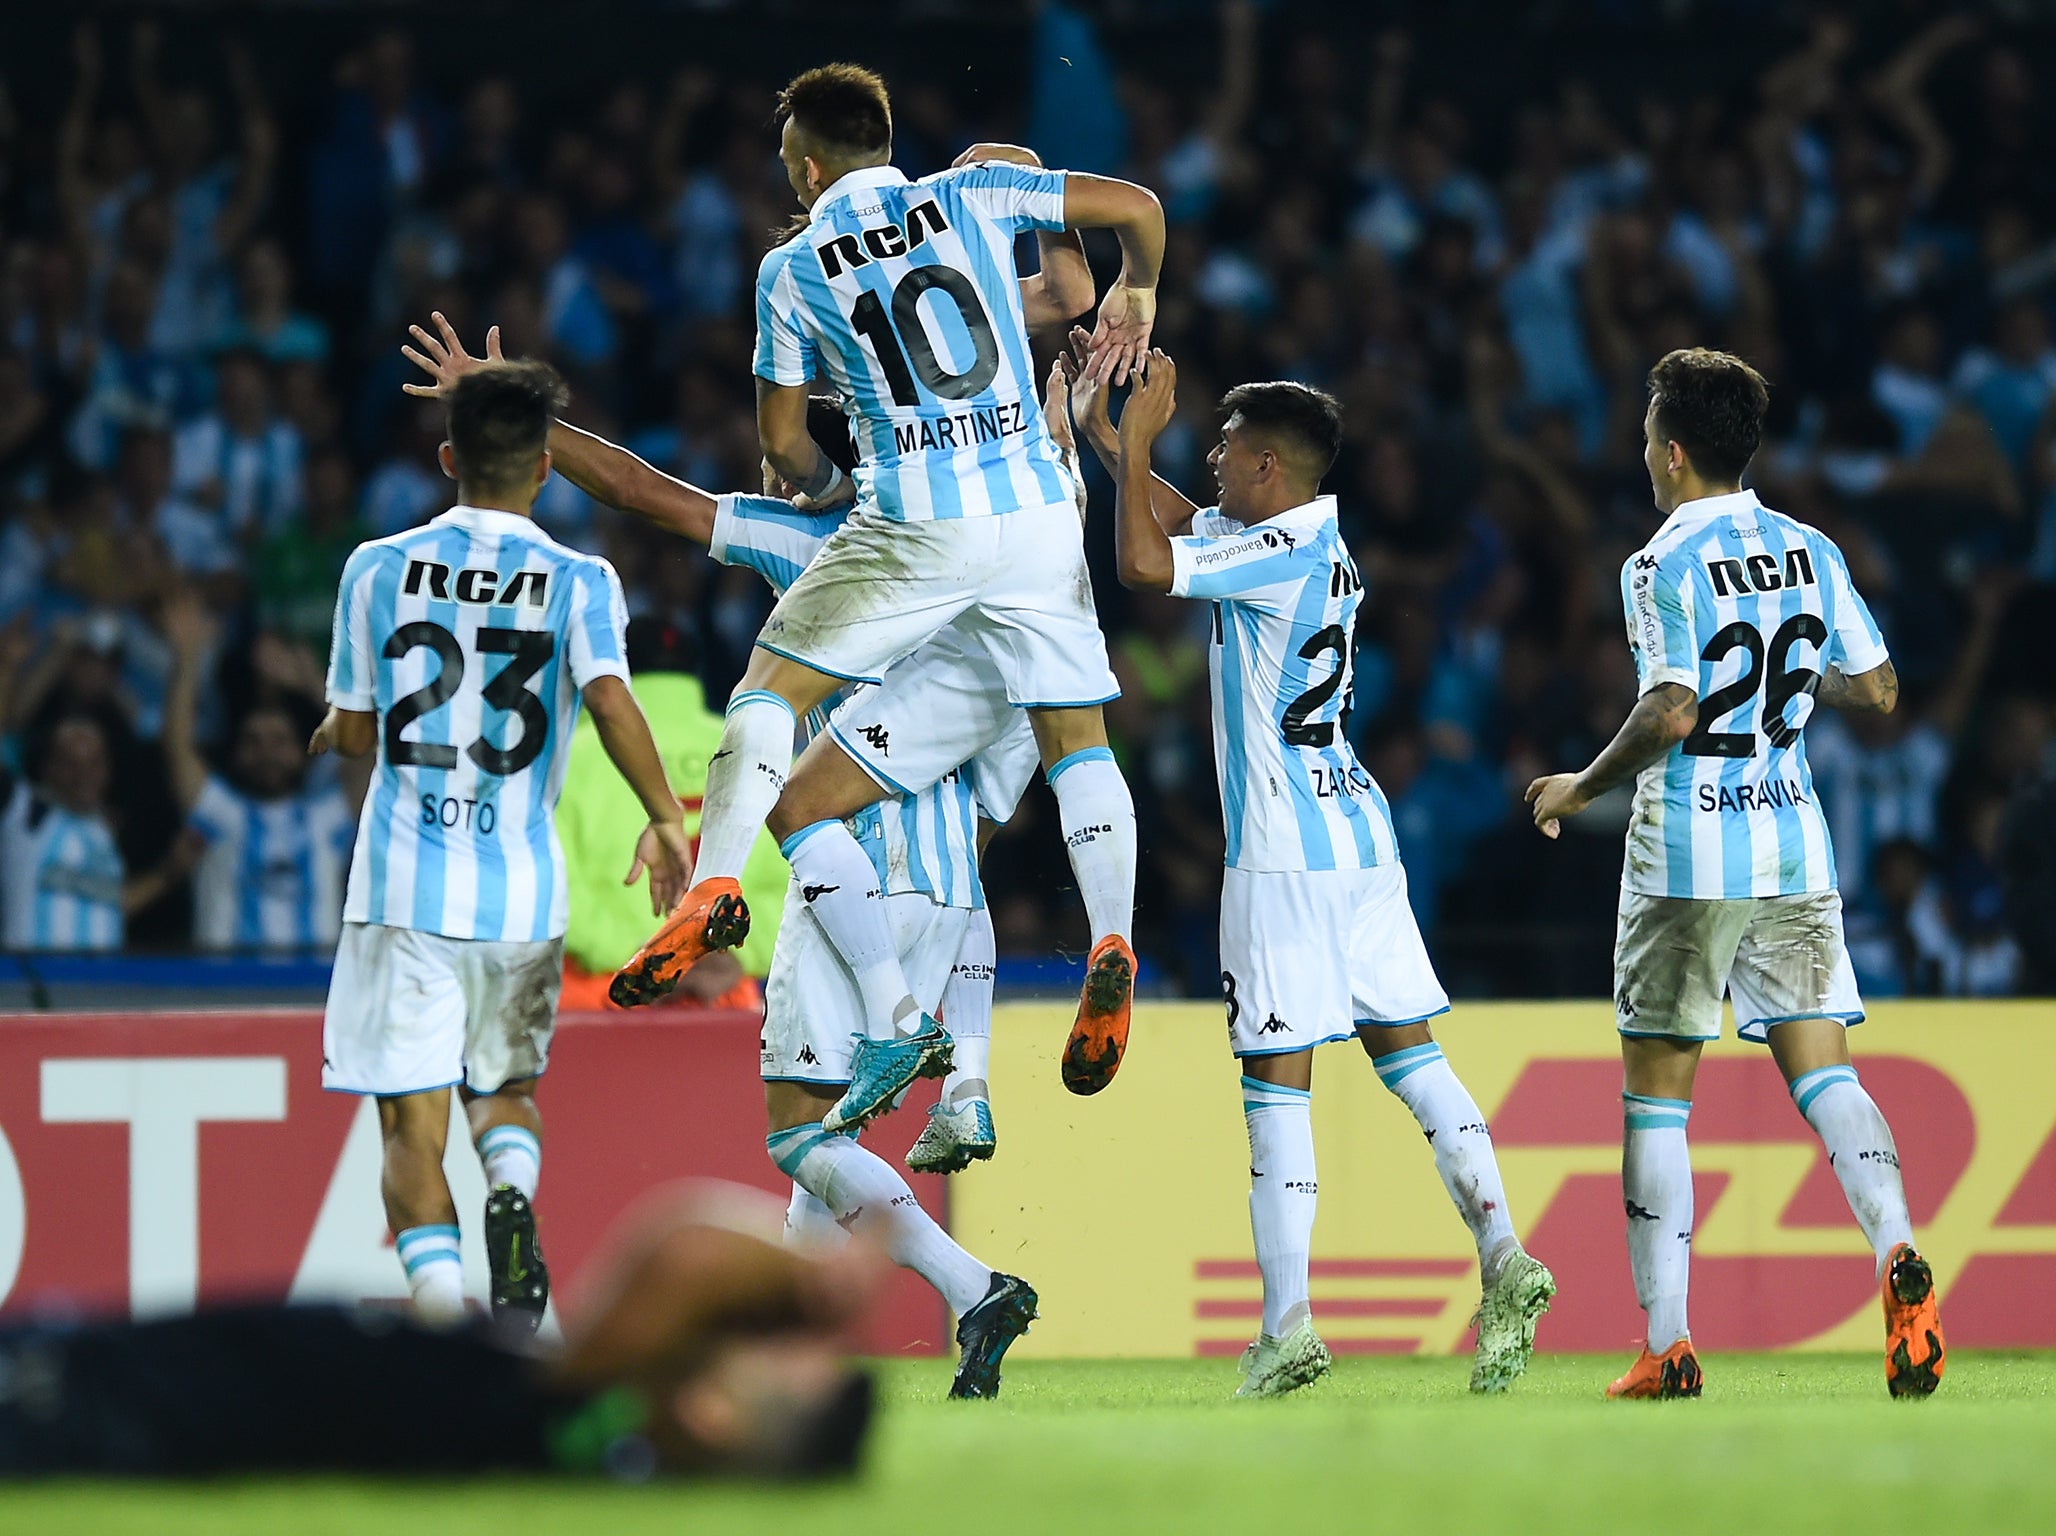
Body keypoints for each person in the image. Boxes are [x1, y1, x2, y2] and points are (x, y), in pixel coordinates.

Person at [400, 319, 1085, 1396]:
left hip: (842, 859)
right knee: (821, 1149)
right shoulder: (986, 548)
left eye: (792, 454)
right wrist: (1065, 422)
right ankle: (781, 1352)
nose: (777, 466)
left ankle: (971, 1286)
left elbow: (641, 491)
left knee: (793, 1135)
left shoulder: (811, 543)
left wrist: (522, 417)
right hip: (951, 878)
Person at [619, 70, 1165, 1120]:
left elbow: (782, 442)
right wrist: (1134, 287)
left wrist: (823, 488)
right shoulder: (966, 201)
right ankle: (1110, 938)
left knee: (765, 693)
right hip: (1039, 517)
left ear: (807, 167)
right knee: (1078, 743)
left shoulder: (791, 268)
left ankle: (714, 883)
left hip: (916, 521)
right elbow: (1135, 215)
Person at [1094, 345, 1554, 1398]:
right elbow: (1168, 518)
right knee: (1413, 1058)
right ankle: (1504, 1256)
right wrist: (1103, 430)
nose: (1206, 460)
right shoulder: (1306, 539)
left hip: (1284, 853)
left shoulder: (1272, 553)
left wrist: (1127, 447)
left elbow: (1141, 565)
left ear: (1265, 467)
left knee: (1274, 1084)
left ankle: (1287, 1324)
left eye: (1220, 448)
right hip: (1357, 833)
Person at [1524, 347, 1944, 1401]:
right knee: (1826, 1074)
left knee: (1657, 1101)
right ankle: (1897, 1252)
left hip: (1683, 860)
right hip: (1792, 846)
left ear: (1671, 450)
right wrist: (1790, 688)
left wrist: (1578, 785)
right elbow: (1880, 686)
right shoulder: (1810, 546)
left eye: (1644, 441)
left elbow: (1669, 709)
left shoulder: (1657, 563)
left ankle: (1666, 1343)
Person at [312, 360, 691, 1337]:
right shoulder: (579, 579)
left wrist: (330, 733)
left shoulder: (377, 566)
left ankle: (447, 1324)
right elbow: (611, 699)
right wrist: (663, 817)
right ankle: (512, 1196)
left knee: (409, 1126)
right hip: (521, 895)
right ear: (544, 473)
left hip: (403, 890)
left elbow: (356, 732)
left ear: (447, 460)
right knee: (506, 1091)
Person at [0, 1181, 877, 1480]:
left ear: (710, 1415)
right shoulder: (563, 1436)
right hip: (86, 1375)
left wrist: (810, 1280)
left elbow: (687, 1252)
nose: (766, 1333)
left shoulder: (546, 1414)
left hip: (64, 1396)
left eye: (782, 1354)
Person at [160, 591, 356, 952]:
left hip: (314, 995)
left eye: (280, 741)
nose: (268, 753)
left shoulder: (327, 818)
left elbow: (370, 755)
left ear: (303, 754)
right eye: (253, 741)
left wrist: (313, 685)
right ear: (234, 755)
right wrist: (188, 658)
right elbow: (176, 745)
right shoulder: (222, 813)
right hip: (225, 996)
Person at [0, 711, 194, 952]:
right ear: (46, 767)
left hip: (99, 986)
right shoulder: (28, 811)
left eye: (95, 763)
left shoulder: (103, 834)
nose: (85, 775)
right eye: (70, 763)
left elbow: (108, 903)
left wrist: (167, 874)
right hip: (35, 982)